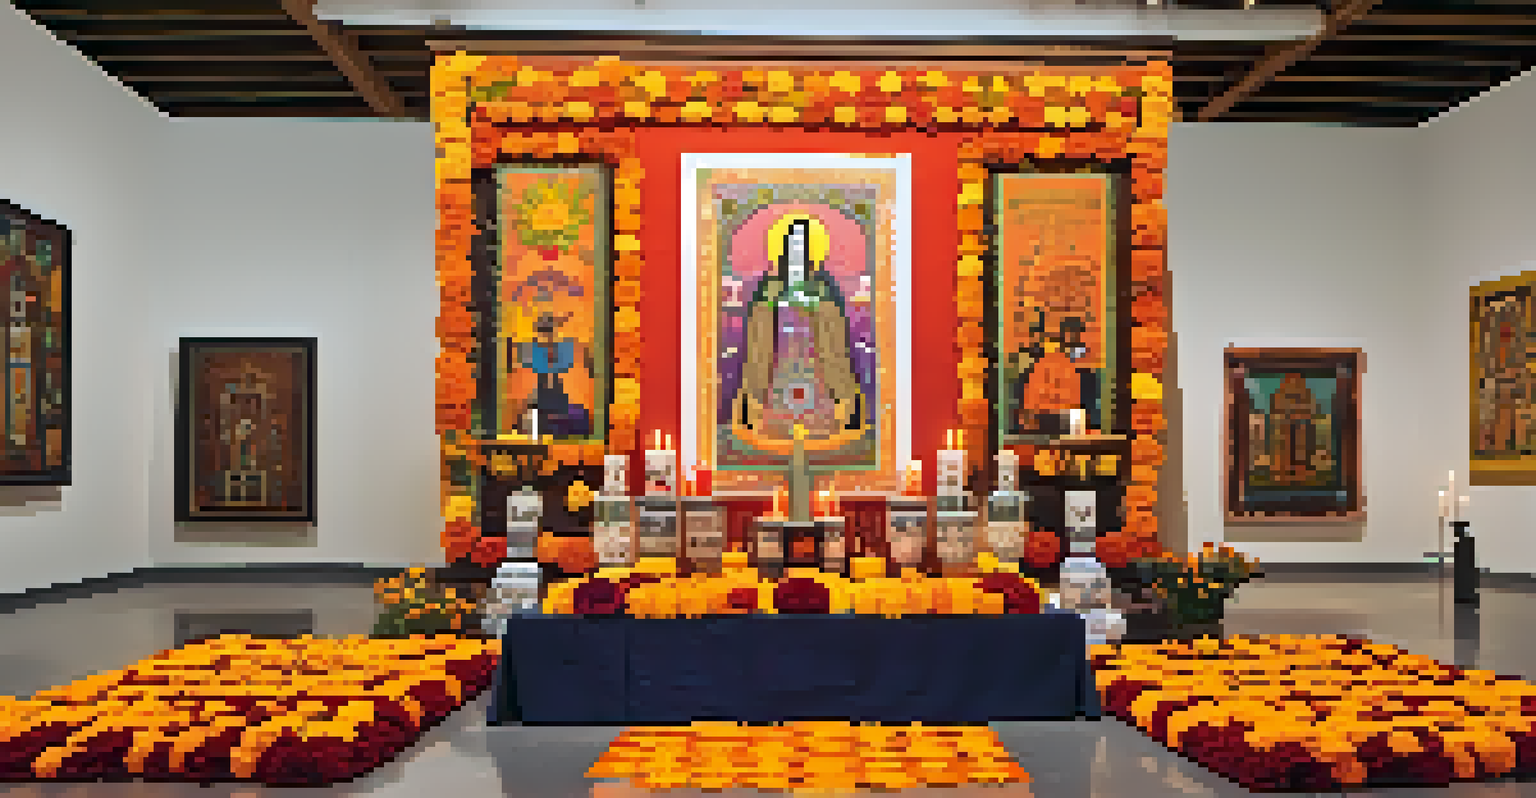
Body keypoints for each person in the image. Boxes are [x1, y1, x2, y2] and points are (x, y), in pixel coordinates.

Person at [733, 215, 863, 443]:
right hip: (779, 361)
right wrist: (778, 304)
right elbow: (758, 327)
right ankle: (758, 416)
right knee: (774, 419)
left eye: (801, 244)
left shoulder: (822, 284)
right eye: (793, 243)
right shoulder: (770, 284)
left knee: (820, 416)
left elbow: (835, 325)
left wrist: (812, 304)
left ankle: (837, 416)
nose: (796, 249)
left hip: (814, 362)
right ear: (784, 247)